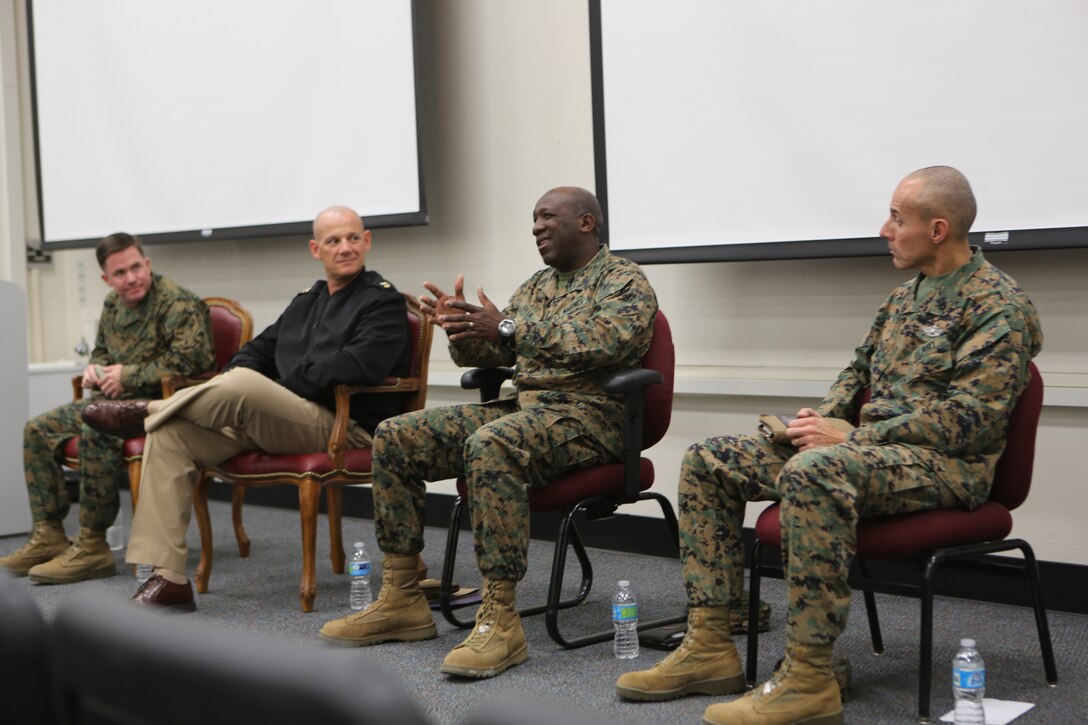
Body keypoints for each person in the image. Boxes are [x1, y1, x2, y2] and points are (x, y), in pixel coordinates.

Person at [616, 166, 1042, 725]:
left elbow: (972, 422)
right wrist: (823, 417)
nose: (885, 230)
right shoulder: (903, 298)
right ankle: (710, 645)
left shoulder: (998, 306)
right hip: (866, 453)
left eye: (897, 218)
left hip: (946, 467)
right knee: (709, 460)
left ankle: (810, 677)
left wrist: (856, 435)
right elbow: (857, 371)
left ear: (938, 229)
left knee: (813, 473)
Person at [318, 186, 659, 679]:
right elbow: (499, 353)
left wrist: (508, 329)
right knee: (395, 436)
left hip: (591, 417)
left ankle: (500, 617)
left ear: (586, 222)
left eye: (547, 217)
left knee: (491, 443)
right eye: (533, 219)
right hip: (525, 408)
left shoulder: (624, 281)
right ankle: (402, 598)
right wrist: (463, 329)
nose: (537, 227)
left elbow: (605, 344)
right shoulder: (536, 287)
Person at [82, 205, 411, 611]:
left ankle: (149, 407)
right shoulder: (306, 302)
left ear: (367, 241)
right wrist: (252, 382)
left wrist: (269, 386)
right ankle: (169, 579)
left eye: (353, 238)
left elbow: (355, 365)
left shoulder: (384, 302)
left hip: (342, 425)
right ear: (315, 249)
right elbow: (256, 351)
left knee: (240, 386)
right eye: (333, 241)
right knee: (170, 434)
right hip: (276, 419)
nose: (345, 248)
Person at [0, 233, 214, 584]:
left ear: (147, 264)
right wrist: (95, 369)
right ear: (106, 279)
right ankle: (49, 534)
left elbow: (193, 360)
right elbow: (102, 351)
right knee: (37, 429)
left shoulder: (177, 302)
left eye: (135, 267)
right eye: (119, 273)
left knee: (96, 426)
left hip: (161, 406)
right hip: (115, 402)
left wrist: (127, 375)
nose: (130, 278)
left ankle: (93, 545)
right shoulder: (113, 305)